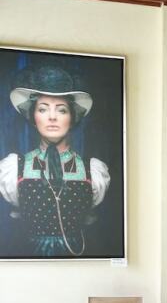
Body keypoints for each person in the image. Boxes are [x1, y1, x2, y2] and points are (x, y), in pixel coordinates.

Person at [0, 65, 110, 257]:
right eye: (43, 109)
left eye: (61, 110)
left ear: (72, 118)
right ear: (33, 117)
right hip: (29, 262)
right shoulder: (15, 168)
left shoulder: (91, 170)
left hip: (79, 259)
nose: (52, 117)